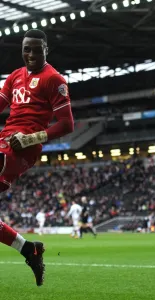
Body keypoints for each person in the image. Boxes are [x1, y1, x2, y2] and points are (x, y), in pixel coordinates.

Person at [0, 29, 74, 286]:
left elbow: (66, 125)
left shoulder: (54, 80)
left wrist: (31, 138)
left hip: (22, 149)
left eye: (35, 48)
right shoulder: (15, 77)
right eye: (26, 49)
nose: (30, 54)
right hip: (4, 141)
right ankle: (28, 249)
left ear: (46, 49)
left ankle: (28, 249)